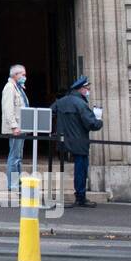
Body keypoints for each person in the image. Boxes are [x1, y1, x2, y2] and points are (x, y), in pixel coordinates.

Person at [51, 75, 103, 208]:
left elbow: (49, 112)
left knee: (73, 168)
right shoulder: (81, 103)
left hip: (64, 141)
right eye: (87, 88)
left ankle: (71, 196)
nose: (88, 90)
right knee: (81, 170)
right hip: (79, 142)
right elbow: (92, 124)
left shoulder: (61, 101)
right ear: (81, 89)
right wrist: (99, 120)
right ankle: (80, 197)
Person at [1, 64, 28, 192]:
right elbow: (8, 109)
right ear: (15, 75)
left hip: (21, 128)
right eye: (23, 74)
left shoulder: (18, 88)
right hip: (16, 129)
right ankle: (13, 185)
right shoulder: (9, 88)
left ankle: (17, 183)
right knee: (14, 156)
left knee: (18, 157)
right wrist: (14, 126)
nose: (25, 77)